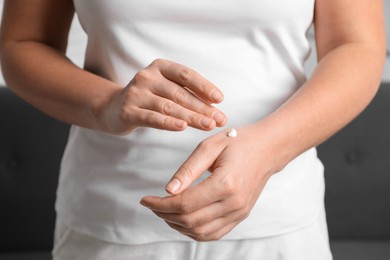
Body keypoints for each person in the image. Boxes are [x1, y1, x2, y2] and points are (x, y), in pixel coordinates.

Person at [0, 0, 386, 259]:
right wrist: (107, 104)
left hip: (276, 219)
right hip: (110, 218)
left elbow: (356, 45)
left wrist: (269, 151)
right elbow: (23, 42)